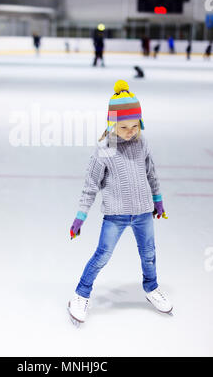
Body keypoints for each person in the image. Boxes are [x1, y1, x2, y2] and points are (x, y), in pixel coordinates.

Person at [67, 79, 172, 325]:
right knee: (102, 255)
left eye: (135, 125)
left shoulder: (142, 142)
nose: (131, 132)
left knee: (149, 254)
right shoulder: (103, 149)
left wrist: (158, 201)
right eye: (124, 127)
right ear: (112, 124)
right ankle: (80, 295)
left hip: (144, 213)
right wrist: (80, 217)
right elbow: (90, 186)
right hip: (116, 215)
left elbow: (151, 173)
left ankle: (151, 287)